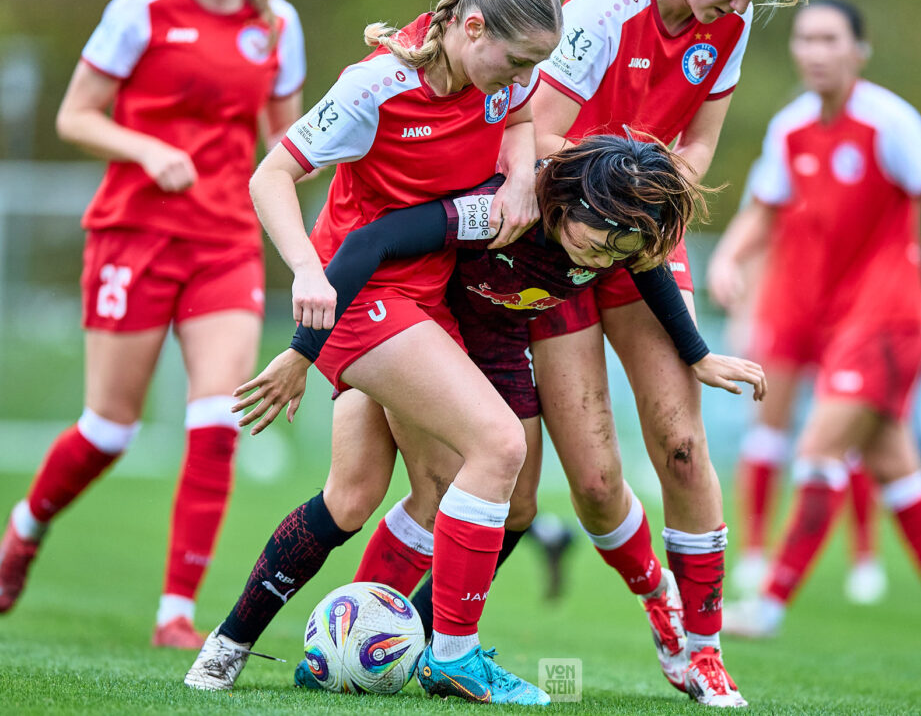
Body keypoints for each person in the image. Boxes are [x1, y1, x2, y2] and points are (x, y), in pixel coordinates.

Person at [433, 0, 856, 706]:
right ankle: (656, 596)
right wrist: (615, 201)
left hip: (646, 235)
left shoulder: (731, 18)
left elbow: (697, 151)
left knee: (683, 446)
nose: (737, 1)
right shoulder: (605, 5)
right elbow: (537, 137)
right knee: (596, 487)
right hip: (564, 235)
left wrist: (646, 217)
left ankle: (704, 648)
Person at [222, 134, 766, 702]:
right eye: (601, 246)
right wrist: (304, 349)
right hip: (417, 321)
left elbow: (648, 268)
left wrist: (698, 354)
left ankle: (404, 643)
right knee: (362, 494)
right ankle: (335, 644)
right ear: (568, 204)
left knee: (518, 508)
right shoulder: (508, 204)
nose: (605, 262)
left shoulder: (611, 234)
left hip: (500, 340)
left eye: (617, 253)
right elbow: (378, 238)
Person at [183, 0, 566, 702]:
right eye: (518, 62)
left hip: (427, 296)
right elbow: (270, 176)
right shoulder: (378, 84)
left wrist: (520, 179)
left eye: (536, 67)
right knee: (500, 447)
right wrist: (305, 272)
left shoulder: (504, 75)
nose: (525, 80)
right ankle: (452, 655)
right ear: (472, 28)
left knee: (369, 495)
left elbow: (518, 121)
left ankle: (238, 645)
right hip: (360, 294)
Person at [0, 0, 305, 649]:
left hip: (225, 241)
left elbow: (290, 145)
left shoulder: (278, 23)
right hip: (133, 235)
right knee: (110, 428)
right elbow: (74, 114)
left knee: (217, 417)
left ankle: (175, 613)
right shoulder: (142, 6)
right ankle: (25, 527)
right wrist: (148, 148)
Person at [712, 0, 921, 653]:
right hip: (835, 322)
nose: (815, 52)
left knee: (818, 449)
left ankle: (768, 606)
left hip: (888, 319)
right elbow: (762, 211)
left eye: (830, 39)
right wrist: (731, 260)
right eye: (805, 39)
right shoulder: (790, 126)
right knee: (897, 472)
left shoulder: (890, 123)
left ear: (860, 50)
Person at [708, 186, 887, 606]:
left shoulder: (869, 152)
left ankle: (864, 556)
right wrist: (745, 312)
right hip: (786, 310)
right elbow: (757, 231)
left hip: (845, 316)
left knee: (852, 436)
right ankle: (754, 552)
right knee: (767, 429)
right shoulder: (786, 146)